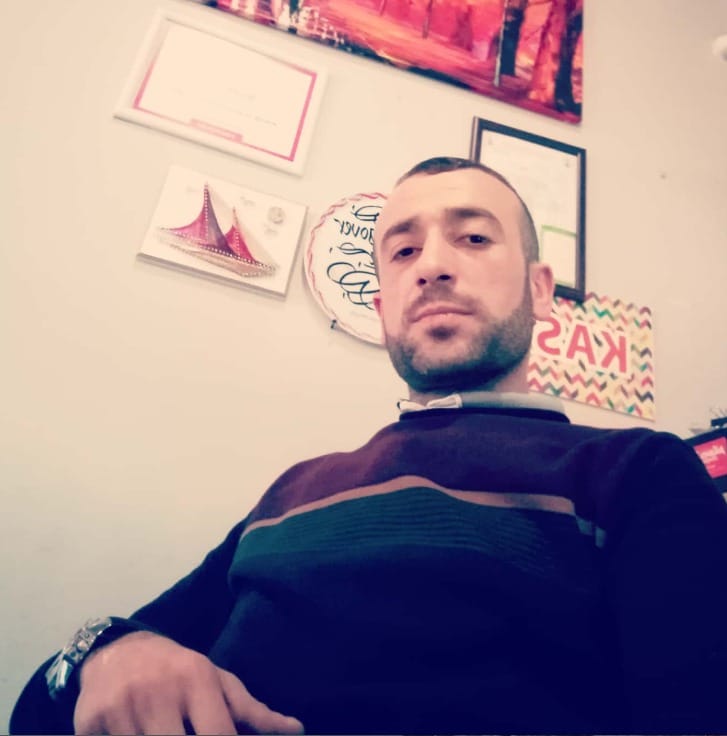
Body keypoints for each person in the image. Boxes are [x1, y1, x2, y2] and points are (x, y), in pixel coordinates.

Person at [10, 157, 727, 735]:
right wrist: (110, 652)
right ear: (383, 307)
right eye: (403, 250)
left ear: (541, 291)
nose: (432, 265)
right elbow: (38, 710)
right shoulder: (294, 490)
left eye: (474, 239)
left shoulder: (638, 468)